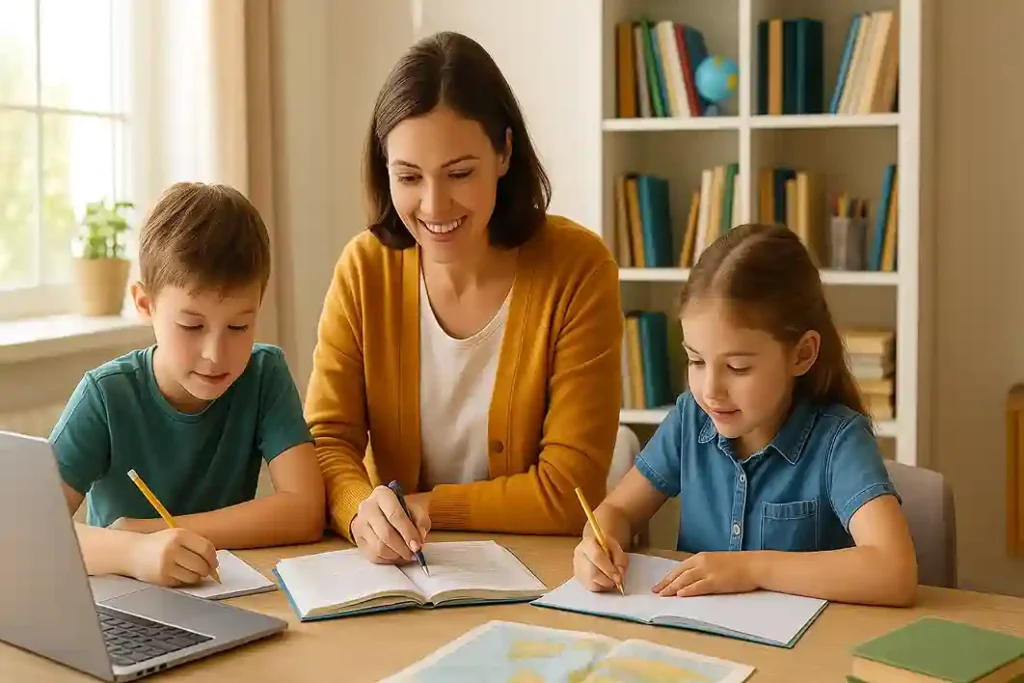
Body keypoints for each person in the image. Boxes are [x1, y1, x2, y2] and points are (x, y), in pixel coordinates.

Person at [304, 31, 623, 564]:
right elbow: (326, 443)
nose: (434, 205)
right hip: (406, 573)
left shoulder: (578, 269)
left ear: (504, 152)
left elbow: (570, 493)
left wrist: (429, 507)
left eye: (459, 173)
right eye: (408, 176)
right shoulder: (364, 269)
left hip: (541, 572)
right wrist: (361, 510)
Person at [572, 223, 919, 607]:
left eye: (737, 367)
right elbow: (619, 509)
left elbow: (894, 572)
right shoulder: (691, 418)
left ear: (802, 354)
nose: (710, 390)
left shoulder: (839, 440)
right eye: (696, 360)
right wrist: (598, 541)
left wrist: (751, 569)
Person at [50, 182, 326, 587]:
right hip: (126, 603)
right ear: (145, 304)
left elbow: (304, 510)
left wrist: (153, 532)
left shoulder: (264, 373)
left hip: (227, 597)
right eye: (192, 325)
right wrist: (131, 552)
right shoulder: (106, 396)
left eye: (238, 325)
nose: (216, 353)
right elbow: (24, 530)